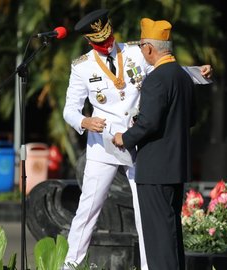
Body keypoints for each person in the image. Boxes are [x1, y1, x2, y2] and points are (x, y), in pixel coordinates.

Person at [63, 9, 211, 269]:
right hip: (104, 144)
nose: (107, 44)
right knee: (88, 209)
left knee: (147, 212)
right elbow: (69, 110)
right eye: (100, 42)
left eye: (108, 38)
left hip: (138, 142)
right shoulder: (82, 67)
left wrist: (198, 72)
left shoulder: (134, 51)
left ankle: (148, 266)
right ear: (89, 41)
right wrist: (84, 122)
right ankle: (71, 265)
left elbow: (167, 72)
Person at [112, 18, 195, 270]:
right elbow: (191, 118)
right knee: (170, 233)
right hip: (175, 167)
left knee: (159, 238)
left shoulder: (156, 79)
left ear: (149, 48)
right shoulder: (183, 76)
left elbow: (148, 123)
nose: (141, 52)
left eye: (141, 47)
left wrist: (124, 138)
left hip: (155, 169)